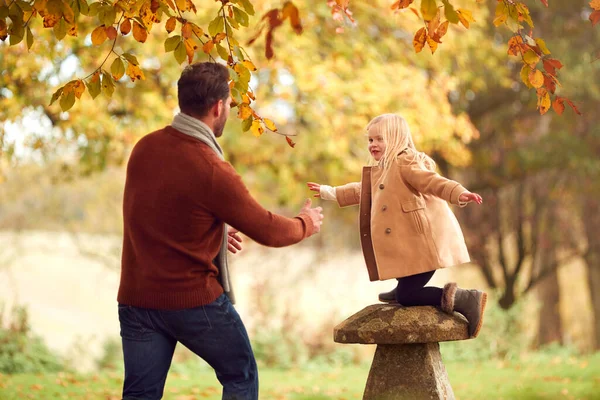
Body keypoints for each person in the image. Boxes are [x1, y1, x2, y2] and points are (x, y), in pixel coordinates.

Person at [117, 62, 324, 400]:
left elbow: (151, 212)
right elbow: (267, 229)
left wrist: (209, 231)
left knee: (140, 395)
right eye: (229, 104)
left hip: (137, 300)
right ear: (218, 107)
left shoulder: (145, 148)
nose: (228, 109)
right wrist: (305, 224)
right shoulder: (211, 168)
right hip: (191, 301)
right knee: (241, 374)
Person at [307, 113, 486, 338]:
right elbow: (363, 190)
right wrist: (330, 192)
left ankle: (465, 298)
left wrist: (459, 192)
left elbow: (433, 181)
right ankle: (403, 284)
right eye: (370, 140)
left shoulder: (405, 161)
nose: (373, 144)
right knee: (403, 271)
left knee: (408, 297)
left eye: (379, 139)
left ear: (395, 139)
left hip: (423, 244)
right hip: (410, 245)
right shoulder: (384, 168)